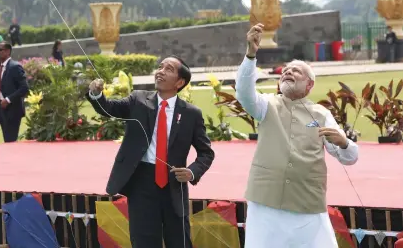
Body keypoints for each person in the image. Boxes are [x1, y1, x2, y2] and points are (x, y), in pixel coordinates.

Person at [236, 23, 359, 248]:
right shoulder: (266, 105)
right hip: (266, 202)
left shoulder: (321, 114)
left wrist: (344, 143)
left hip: (307, 203)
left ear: (309, 84)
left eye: (296, 71)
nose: (288, 72)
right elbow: (244, 92)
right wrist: (251, 55)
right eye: (285, 71)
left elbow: (349, 158)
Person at [86, 56, 214, 248]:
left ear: (179, 82)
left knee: (179, 241)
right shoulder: (138, 100)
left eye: (168, 69)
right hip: (141, 183)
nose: (160, 71)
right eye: (160, 67)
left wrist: (192, 171)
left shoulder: (191, 114)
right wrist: (96, 94)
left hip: (174, 185)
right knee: (144, 242)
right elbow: (110, 109)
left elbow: (206, 153)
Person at [0, 42, 29, 142]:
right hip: (2, 112)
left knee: (10, 141)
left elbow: (24, 88)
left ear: (7, 51)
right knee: (7, 141)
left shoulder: (15, 67)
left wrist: (8, 99)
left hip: (13, 111)